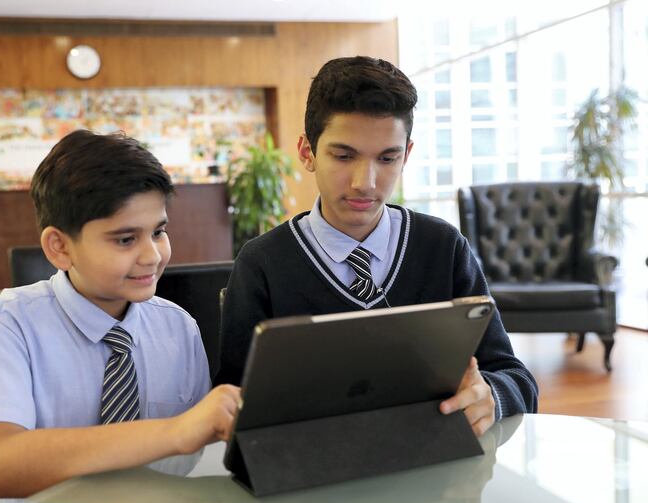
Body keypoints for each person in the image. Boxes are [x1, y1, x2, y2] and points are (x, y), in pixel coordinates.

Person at [216, 56, 538, 436]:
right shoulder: (262, 264)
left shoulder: (443, 247)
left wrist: (491, 396)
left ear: (407, 155)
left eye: (387, 158)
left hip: (433, 475)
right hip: (313, 477)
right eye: (343, 155)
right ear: (307, 153)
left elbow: (516, 378)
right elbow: (232, 402)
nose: (365, 183)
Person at [0, 130, 241, 503]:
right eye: (125, 239)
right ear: (59, 247)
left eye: (158, 231)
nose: (152, 255)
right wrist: (175, 431)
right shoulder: (3, 324)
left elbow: (198, 461)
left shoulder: (177, 328)